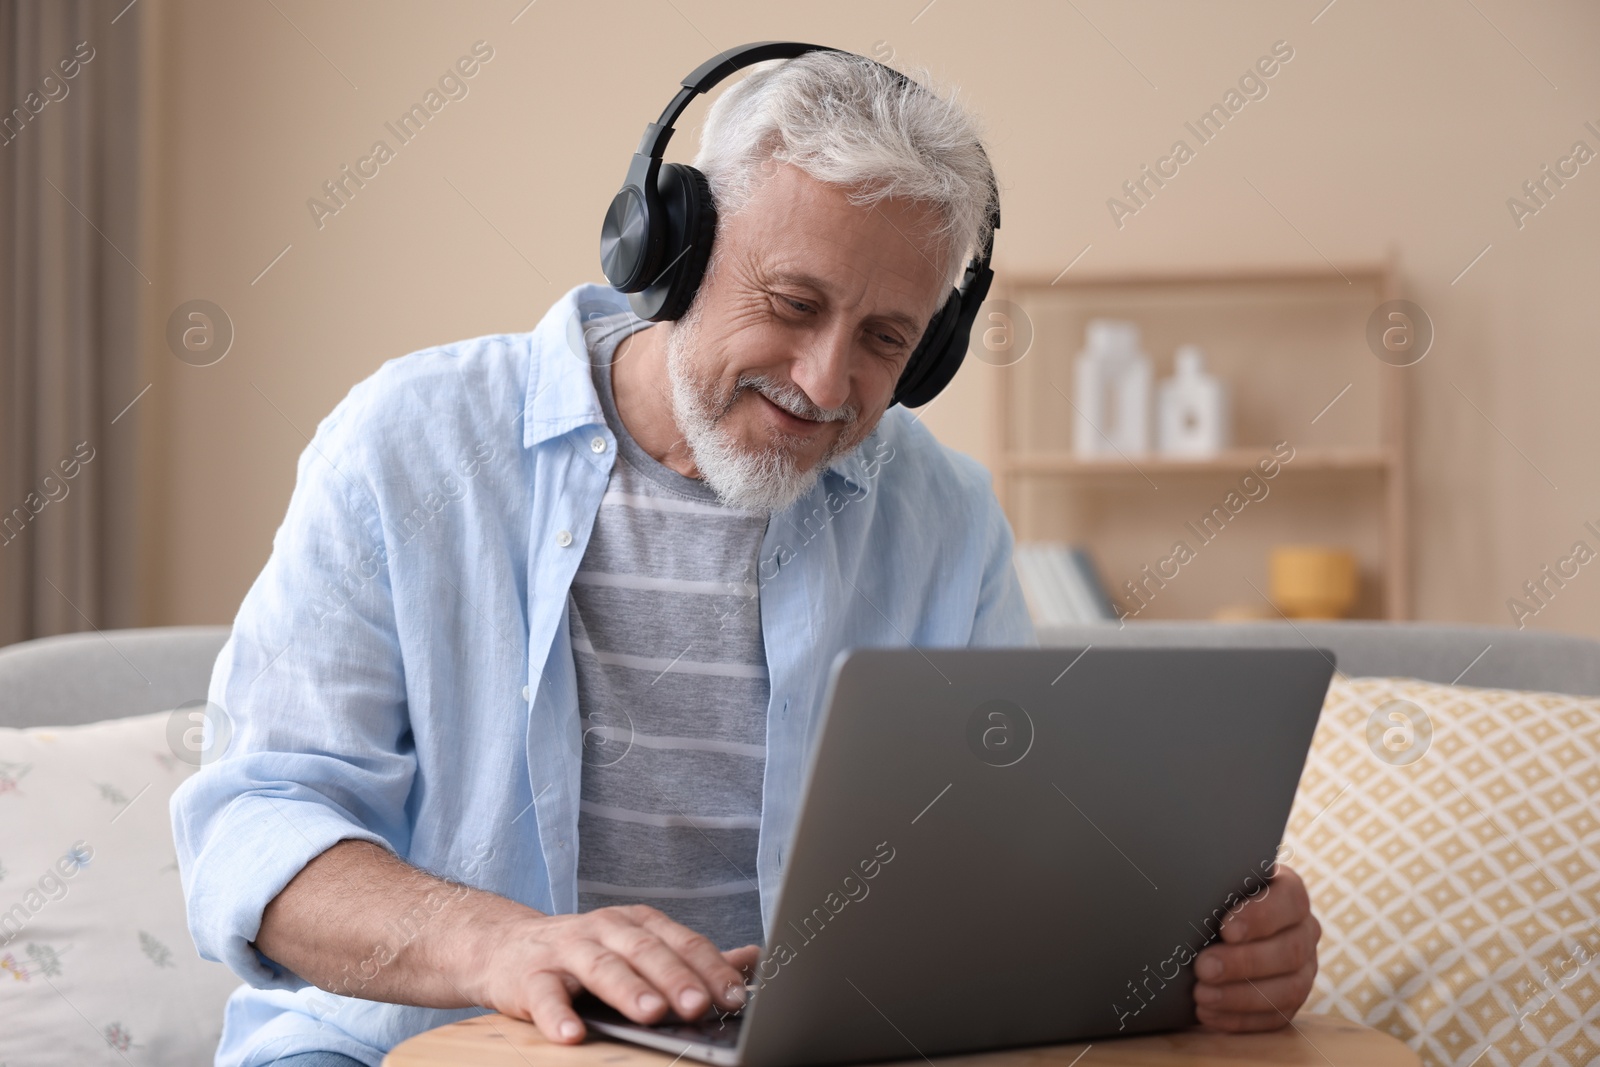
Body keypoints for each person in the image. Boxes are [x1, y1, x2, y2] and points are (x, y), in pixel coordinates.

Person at [170, 48, 1321, 1067]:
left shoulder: (942, 513)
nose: (824, 384)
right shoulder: (411, 444)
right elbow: (255, 825)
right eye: (792, 302)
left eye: (883, 339)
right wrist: (501, 942)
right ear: (669, 250)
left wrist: (1205, 944)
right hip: (405, 1051)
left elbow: (1000, 862)